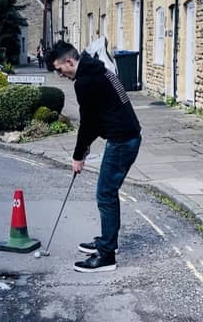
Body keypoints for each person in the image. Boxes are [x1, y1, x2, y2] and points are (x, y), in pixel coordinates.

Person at [46, 40, 141, 273]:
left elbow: (88, 122)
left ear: (69, 61)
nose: (60, 75)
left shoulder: (86, 81)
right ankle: (108, 242)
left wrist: (78, 155)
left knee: (105, 194)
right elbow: (101, 115)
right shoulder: (97, 69)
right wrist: (87, 146)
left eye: (59, 69)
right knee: (108, 192)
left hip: (122, 141)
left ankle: (106, 256)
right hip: (125, 136)